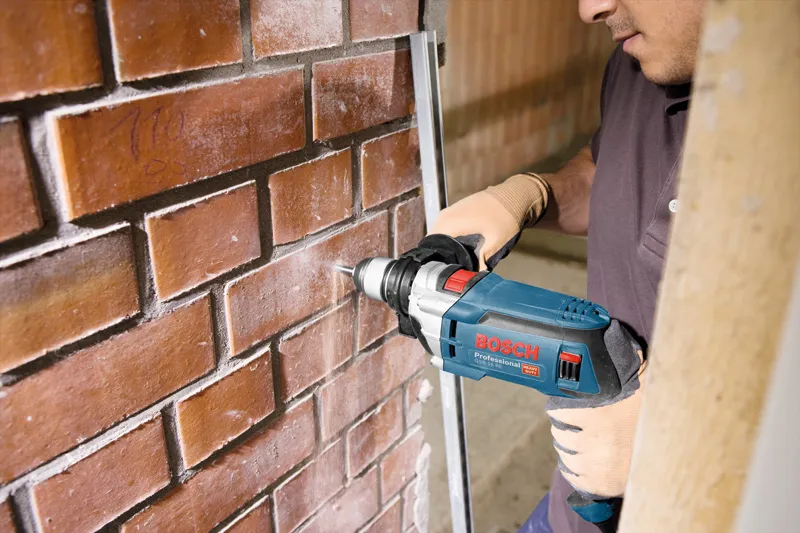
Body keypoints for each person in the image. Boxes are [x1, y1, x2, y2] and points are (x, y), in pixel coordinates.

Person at [431, 1, 707, 531]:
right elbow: (608, 171)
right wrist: (532, 195)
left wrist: (675, 437)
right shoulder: (637, 66)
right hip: (570, 511)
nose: (590, 9)